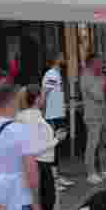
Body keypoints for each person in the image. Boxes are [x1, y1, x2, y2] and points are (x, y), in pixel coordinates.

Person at [17, 85, 65, 210]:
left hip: (42, 162)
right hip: (39, 162)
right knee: (45, 200)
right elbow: (33, 147)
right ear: (37, 99)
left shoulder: (31, 116)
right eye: (42, 96)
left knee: (47, 199)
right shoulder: (30, 118)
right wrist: (56, 139)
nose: (44, 99)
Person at [42, 55, 72, 192]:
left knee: (57, 146)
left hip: (56, 113)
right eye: (60, 56)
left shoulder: (55, 74)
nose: (63, 58)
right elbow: (45, 92)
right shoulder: (52, 74)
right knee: (54, 145)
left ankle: (57, 176)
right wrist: (43, 109)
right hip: (52, 115)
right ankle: (54, 179)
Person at [81, 54, 106, 185]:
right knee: (93, 144)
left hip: (102, 115)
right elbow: (98, 95)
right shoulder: (86, 77)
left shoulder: (100, 76)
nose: (102, 65)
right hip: (92, 116)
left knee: (102, 143)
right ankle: (90, 172)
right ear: (92, 63)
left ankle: (103, 169)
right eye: (99, 62)